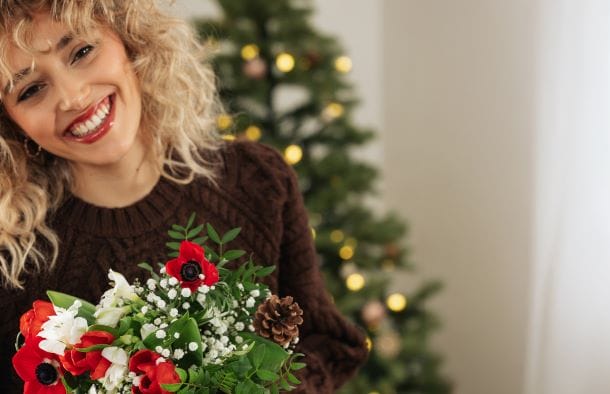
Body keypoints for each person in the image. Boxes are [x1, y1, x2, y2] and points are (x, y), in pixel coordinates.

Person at [0, 1, 368, 392]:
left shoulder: (257, 181)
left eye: (81, 52)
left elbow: (329, 344)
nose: (72, 97)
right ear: (11, 124)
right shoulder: (11, 258)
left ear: (130, 40)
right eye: (31, 90)